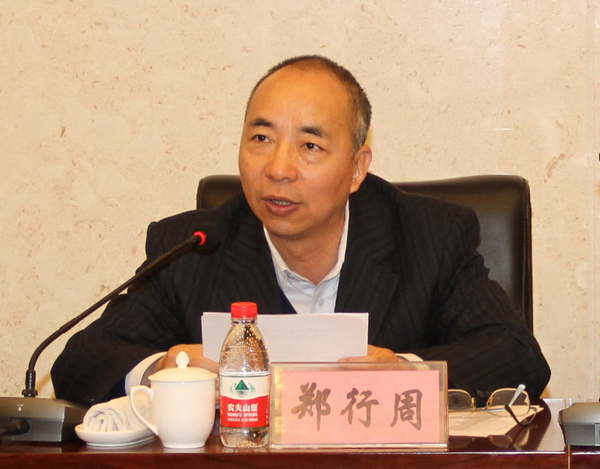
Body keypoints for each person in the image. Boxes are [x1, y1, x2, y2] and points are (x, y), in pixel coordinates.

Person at [52, 55, 550, 408]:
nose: (278, 168)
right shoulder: (194, 248)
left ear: (357, 168)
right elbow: (80, 363)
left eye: (310, 146)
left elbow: (516, 356)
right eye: (261, 138)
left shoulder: (431, 236)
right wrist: (163, 369)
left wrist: (406, 374)